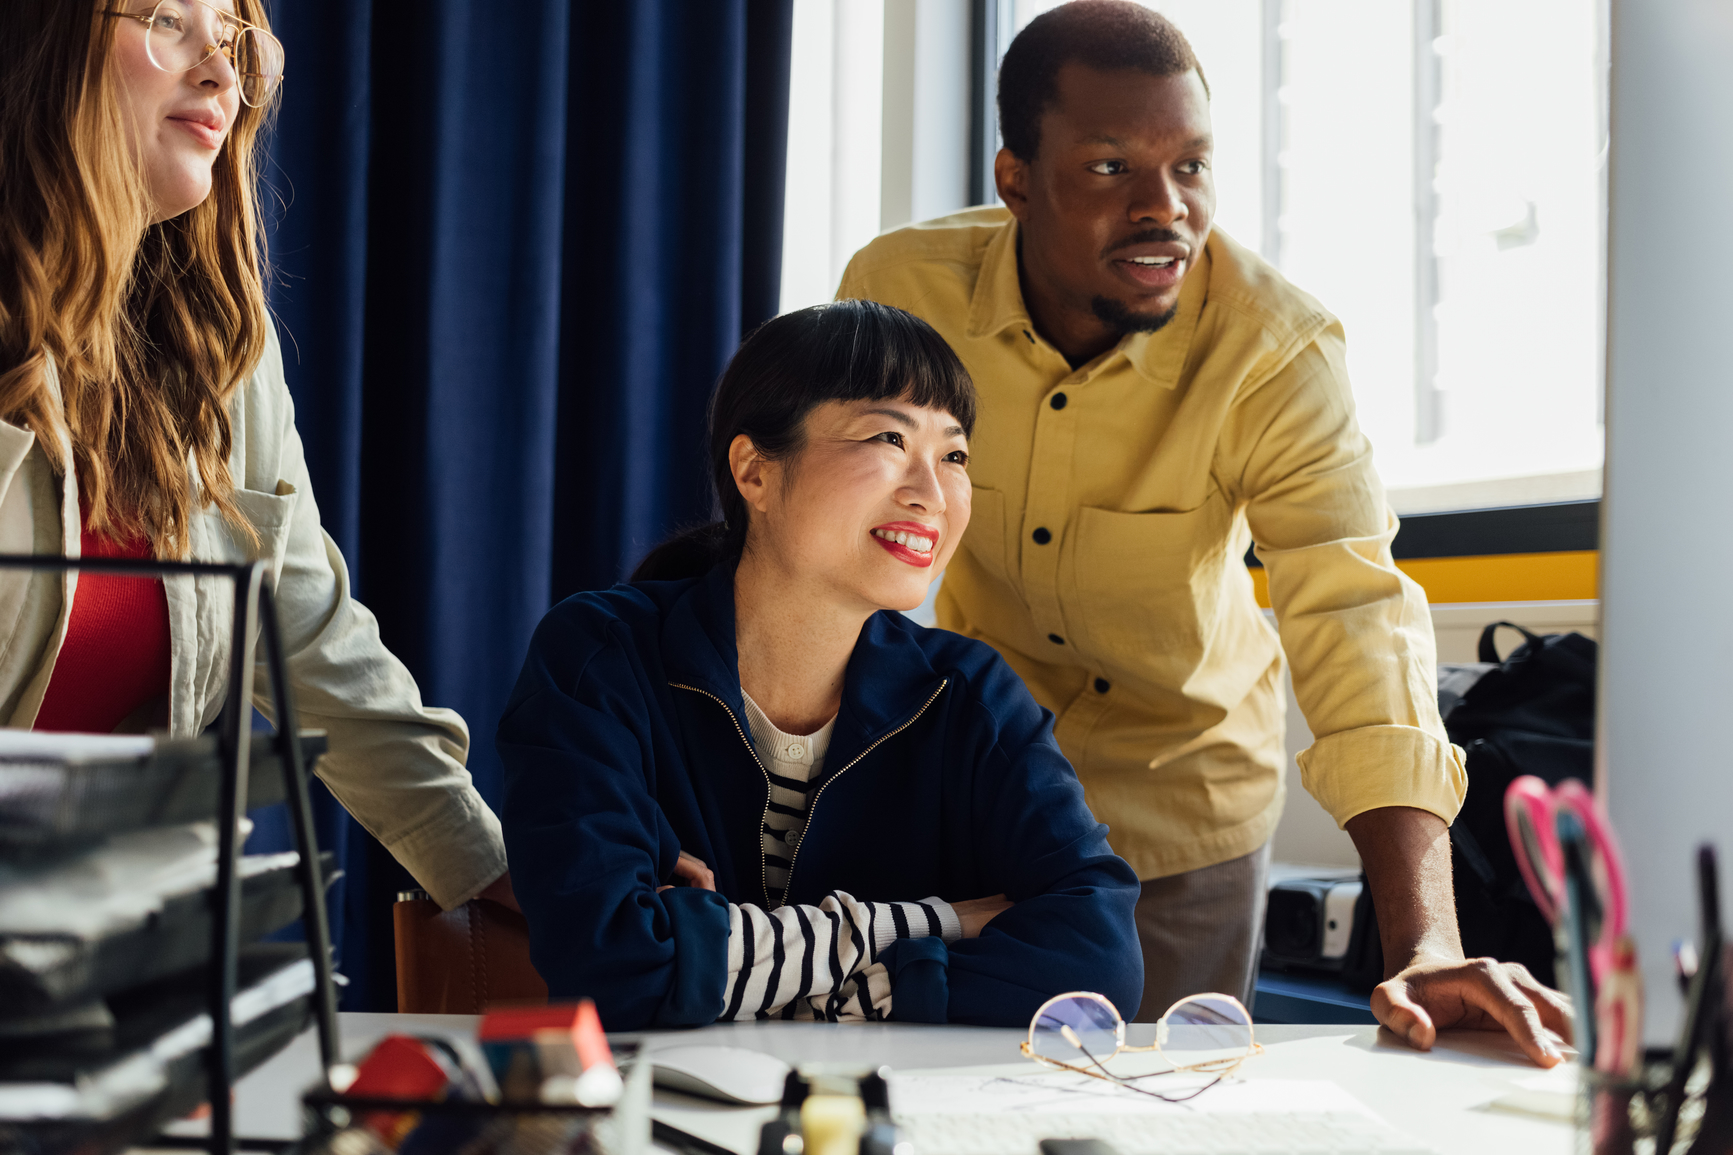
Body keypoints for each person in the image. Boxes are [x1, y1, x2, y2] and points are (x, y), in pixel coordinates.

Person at [838, 1, 1571, 1063]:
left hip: (1179, 819)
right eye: (1109, 167)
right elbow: (822, 538)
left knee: (1159, 1111)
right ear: (1015, 180)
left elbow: (1354, 614)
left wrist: (1426, 943)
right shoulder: (899, 294)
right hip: (964, 791)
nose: (1164, 207)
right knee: (935, 1090)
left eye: (1190, 166)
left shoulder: (1274, 350)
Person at [497, 300, 1141, 1029]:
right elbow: (615, 967)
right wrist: (941, 924)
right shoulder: (599, 657)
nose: (932, 494)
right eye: (889, 438)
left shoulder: (970, 693)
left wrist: (734, 967)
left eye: (954, 456)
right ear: (754, 471)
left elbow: (1101, 960)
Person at [0, 0, 511, 912]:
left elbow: (311, 637)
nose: (221, 73)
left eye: (235, 41)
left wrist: (504, 871)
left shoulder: (224, 354)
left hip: (93, 947)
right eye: (170, 18)